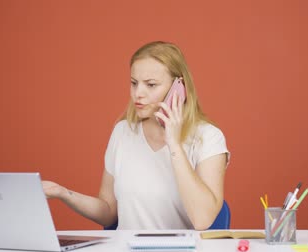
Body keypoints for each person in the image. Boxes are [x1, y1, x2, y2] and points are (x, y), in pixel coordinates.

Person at [42, 41, 230, 230]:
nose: (138, 93)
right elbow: (108, 212)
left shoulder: (208, 137)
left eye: (151, 85)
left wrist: (174, 144)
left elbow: (203, 220)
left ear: (178, 88)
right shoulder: (123, 132)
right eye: (134, 83)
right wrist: (63, 193)